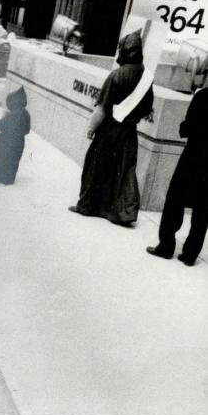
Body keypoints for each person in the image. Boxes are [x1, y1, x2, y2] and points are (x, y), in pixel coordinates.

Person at [69, 30, 153, 227]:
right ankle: (124, 213)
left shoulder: (116, 75)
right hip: (129, 131)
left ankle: (87, 207)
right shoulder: (147, 77)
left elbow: (102, 108)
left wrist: (91, 128)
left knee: (96, 166)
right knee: (126, 170)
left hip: (109, 129)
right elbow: (147, 107)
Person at [146, 84, 208, 267]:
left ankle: (166, 246)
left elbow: (187, 128)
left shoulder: (203, 96)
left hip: (193, 158)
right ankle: (190, 255)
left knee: (175, 200)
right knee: (203, 210)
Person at [0, 85, 30, 185]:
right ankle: (7, 179)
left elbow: (3, 124)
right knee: (12, 161)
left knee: (3, 159)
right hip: (19, 142)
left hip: (8, 142)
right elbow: (27, 130)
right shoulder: (26, 114)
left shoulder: (15, 113)